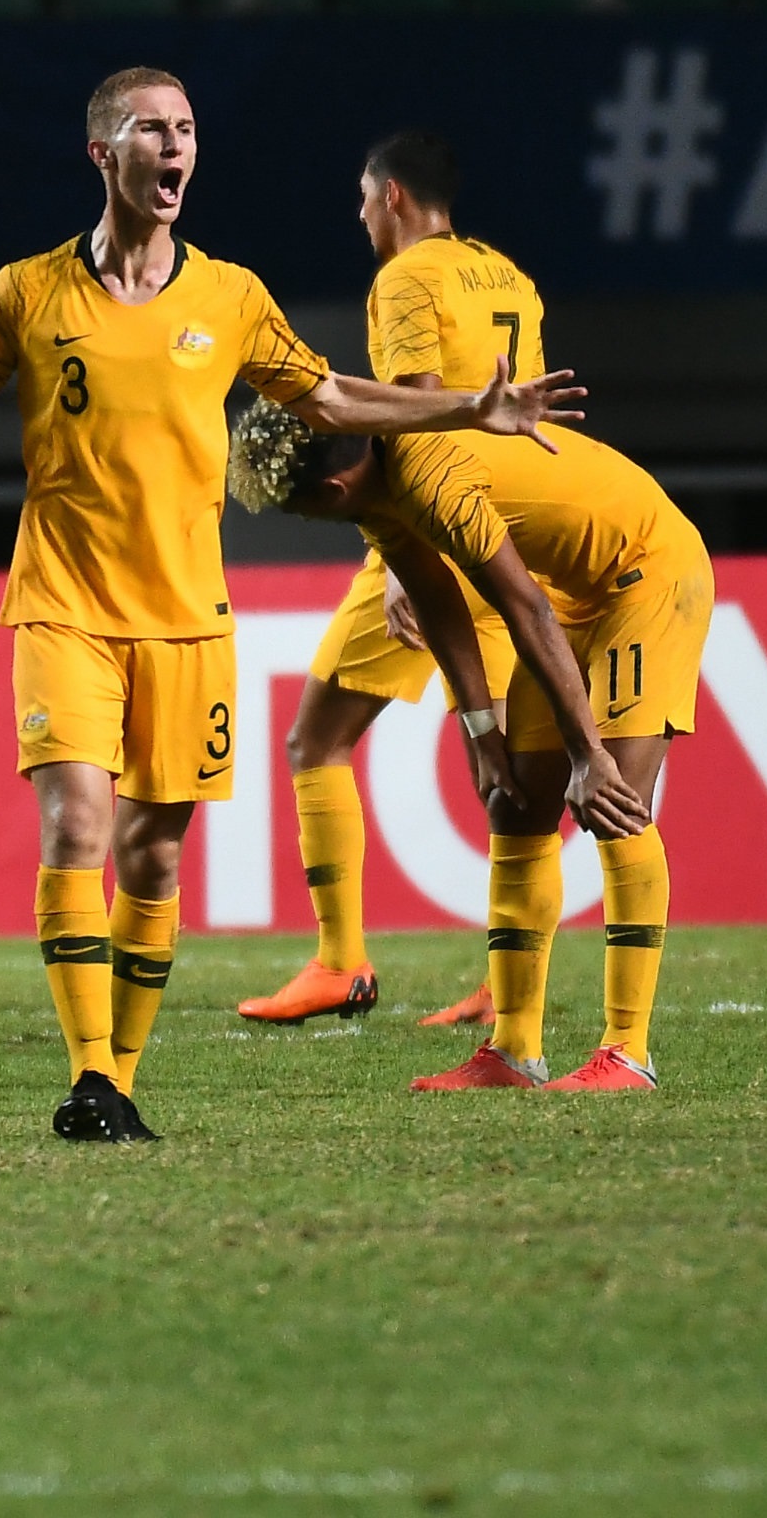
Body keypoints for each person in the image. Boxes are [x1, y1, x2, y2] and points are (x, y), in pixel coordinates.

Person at [0, 68, 582, 1143]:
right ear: (102, 153)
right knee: (78, 823)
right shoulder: (27, 292)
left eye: (187, 130)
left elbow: (330, 396)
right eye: (152, 129)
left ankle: (115, 1081)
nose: (175, 146)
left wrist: (466, 408)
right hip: (63, 604)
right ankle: (88, 1075)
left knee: (154, 856)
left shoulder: (233, 297)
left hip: (187, 619)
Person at [229, 402, 701, 1092]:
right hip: (572, 590)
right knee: (516, 806)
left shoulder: (431, 481)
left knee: (615, 802)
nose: (302, 520)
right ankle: (512, 1052)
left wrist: (586, 753)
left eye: (298, 509)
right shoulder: (379, 488)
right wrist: (482, 731)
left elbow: (523, 608)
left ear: (332, 489)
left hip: (645, 576)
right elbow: (438, 600)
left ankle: (628, 1053)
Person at [239, 132, 542, 1030]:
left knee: (316, 741)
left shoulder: (405, 279)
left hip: (435, 519)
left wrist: (409, 562)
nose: (361, 213)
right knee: (502, 764)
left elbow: (417, 403)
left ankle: (340, 961)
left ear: (395, 196)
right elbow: (515, 409)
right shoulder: (511, 277)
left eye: (364, 197)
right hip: (508, 524)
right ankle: (508, 985)